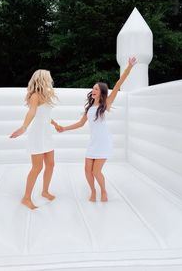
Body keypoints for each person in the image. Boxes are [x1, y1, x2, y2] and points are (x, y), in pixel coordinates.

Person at [58, 57, 137, 202]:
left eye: (96, 89)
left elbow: (119, 84)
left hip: (104, 142)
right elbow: (80, 123)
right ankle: (93, 191)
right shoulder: (89, 107)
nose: (93, 90)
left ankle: (103, 191)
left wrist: (129, 67)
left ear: (101, 92)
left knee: (96, 171)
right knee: (87, 170)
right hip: (93, 142)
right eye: (93, 88)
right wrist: (64, 128)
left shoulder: (105, 104)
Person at [10, 69, 60, 210]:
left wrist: (55, 124)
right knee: (37, 167)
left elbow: (45, 115)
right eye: (48, 77)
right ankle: (26, 198)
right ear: (43, 79)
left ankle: (45, 191)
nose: (50, 79)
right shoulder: (35, 96)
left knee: (51, 164)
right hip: (37, 135)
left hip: (47, 134)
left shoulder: (47, 94)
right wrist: (23, 127)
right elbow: (32, 112)